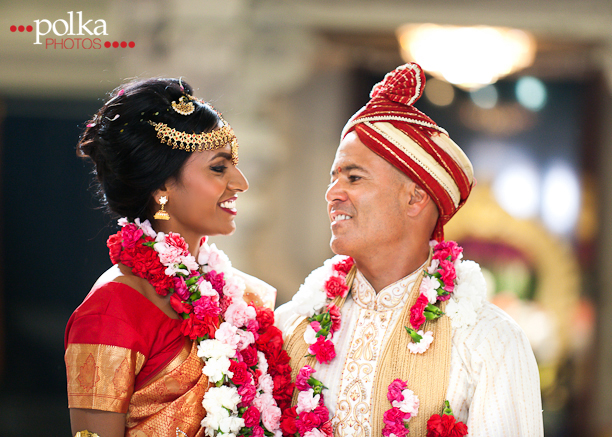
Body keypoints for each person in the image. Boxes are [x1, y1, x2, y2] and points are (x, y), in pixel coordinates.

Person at [275, 63, 543, 436]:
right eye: (333, 178)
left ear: (415, 197)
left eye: (353, 177)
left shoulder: (487, 341)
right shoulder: (291, 325)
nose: (333, 194)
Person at [66, 78, 291, 437]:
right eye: (219, 168)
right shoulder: (112, 310)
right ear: (160, 187)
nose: (241, 182)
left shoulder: (240, 300)